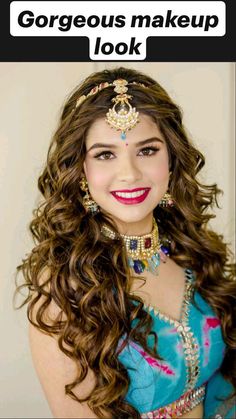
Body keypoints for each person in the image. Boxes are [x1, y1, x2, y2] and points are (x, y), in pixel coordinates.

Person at [16, 67, 236, 419]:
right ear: (80, 170)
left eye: (147, 150)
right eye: (105, 154)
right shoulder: (64, 293)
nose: (130, 173)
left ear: (172, 159)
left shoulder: (192, 250)